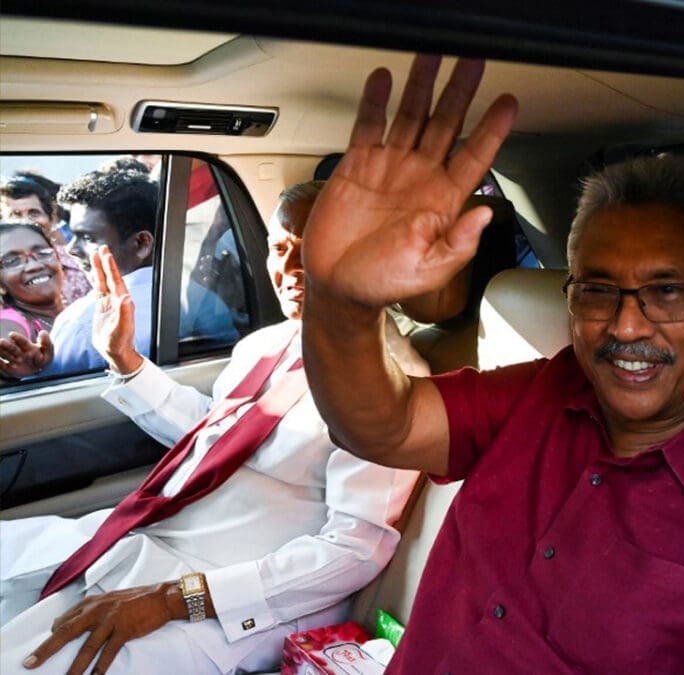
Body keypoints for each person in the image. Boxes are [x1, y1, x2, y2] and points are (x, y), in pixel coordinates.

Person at [300, 56, 684, 671]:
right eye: (598, 290)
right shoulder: (549, 387)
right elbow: (382, 425)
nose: (627, 327)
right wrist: (342, 301)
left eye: (667, 291)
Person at [0, 180, 430, 674]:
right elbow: (215, 436)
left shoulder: (390, 388)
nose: (291, 270)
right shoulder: (270, 342)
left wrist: (176, 599)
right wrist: (124, 360)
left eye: (315, 250)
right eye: (280, 249)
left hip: (236, 601)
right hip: (150, 539)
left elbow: (355, 551)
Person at [0, 168, 239, 378]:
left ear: (142, 243)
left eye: (87, 237)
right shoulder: (204, 299)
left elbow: (50, 400)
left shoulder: (84, 322)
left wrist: (33, 372)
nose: (72, 249)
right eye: (73, 236)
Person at [1, 171, 91, 304]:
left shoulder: (80, 261)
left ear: (52, 216)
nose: (26, 222)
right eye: (15, 215)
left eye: (34, 213)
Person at [0, 223, 65, 344]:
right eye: (12, 261)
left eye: (42, 253)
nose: (34, 266)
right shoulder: (9, 326)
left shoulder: (78, 309)